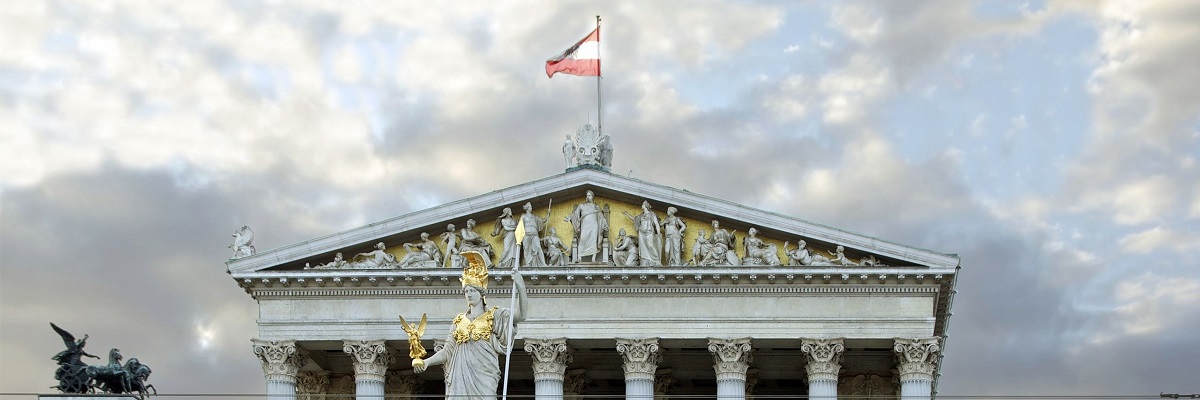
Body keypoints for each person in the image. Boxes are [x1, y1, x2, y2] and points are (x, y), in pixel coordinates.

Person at [413, 258, 528, 399]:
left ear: (481, 293)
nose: (469, 294)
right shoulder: (459, 321)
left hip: (484, 377)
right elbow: (447, 352)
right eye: (466, 291)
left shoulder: (494, 316)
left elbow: (521, 315)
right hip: (459, 379)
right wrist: (426, 362)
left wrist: (521, 286)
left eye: (472, 290)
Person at [566, 190, 606, 262]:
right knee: (582, 239)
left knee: (594, 240)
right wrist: (570, 218)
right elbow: (575, 215)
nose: (588, 197)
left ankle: (593, 258)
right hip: (585, 225)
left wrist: (605, 224)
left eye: (589, 195)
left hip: (594, 225)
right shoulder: (581, 206)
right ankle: (579, 257)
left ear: (592, 197)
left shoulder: (596, 207)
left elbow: (601, 217)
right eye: (587, 195)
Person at [623, 201, 661, 266]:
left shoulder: (652, 214)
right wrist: (627, 214)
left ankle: (657, 260)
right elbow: (634, 219)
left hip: (649, 232)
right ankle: (645, 261)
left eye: (643, 204)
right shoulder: (641, 216)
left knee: (650, 245)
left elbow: (657, 224)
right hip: (641, 233)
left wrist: (659, 233)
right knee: (643, 248)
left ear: (646, 206)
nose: (641, 206)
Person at [519, 202, 549, 268]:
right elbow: (520, 227)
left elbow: (542, 220)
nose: (531, 208)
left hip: (535, 234)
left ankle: (543, 263)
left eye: (531, 207)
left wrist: (548, 214)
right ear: (527, 208)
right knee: (526, 248)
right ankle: (528, 263)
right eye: (530, 207)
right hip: (526, 235)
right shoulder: (523, 217)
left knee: (538, 247)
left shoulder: (535, 217)